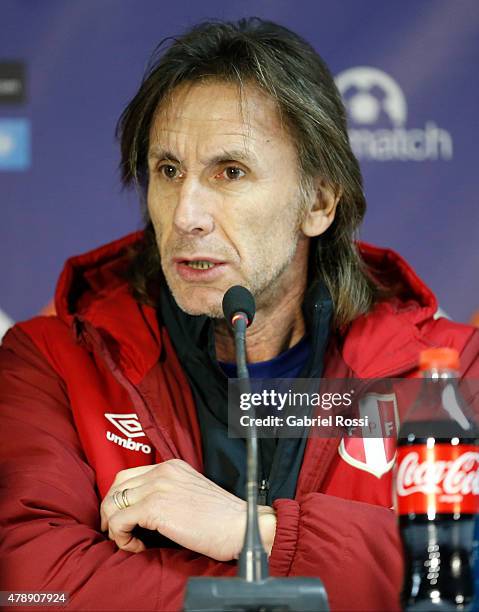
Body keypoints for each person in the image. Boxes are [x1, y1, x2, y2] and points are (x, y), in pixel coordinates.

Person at [1, 18, 478, 612]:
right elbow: (30, 582)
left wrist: (258, 532)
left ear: (320, 202)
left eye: (230, 172)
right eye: (167, 171)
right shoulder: (51, 360)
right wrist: (333, 583)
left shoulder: (451, 376)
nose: (185, 215)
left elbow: (468, 571)